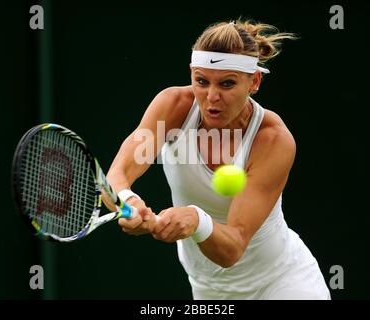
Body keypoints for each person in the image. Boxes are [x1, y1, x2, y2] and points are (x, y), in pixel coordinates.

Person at [103, 19, 331, 300]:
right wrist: (127, 200)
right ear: (191, 75)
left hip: (283, 284)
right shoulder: (173, 107)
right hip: (209, 291)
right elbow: (115, 177)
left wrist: (196, 219)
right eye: (201, 81)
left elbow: (232, 248)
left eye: (227, 83)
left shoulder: (272, 139)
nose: (211, 97)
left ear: (254, 81)